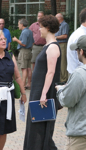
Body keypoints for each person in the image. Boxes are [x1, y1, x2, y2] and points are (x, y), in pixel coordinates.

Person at [23, 15, 60, 150]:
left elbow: (51, 72)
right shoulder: (48, 46)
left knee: (40, 130)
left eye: (41, 27)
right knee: (35, 127)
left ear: (48, 28)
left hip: (43, 94)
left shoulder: (52, 47)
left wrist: (43, 94)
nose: (39, 30)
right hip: (38, 92)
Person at [56, 35, 86, 150]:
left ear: (81, 51)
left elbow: (68, 101)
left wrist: (60, 90)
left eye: (77, 50)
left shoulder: (80, 74)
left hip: (81, 134)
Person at [12, 19, 34, 89]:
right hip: (29, 51)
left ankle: (23, 85)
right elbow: (33, 42)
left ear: (22, 24)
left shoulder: (24, 32)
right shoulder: (30, 31)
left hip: (24, 51)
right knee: (28, 68)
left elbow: (23, 43)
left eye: (18, 24)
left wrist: (16, 40)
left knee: (24, 68)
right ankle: (29, 83)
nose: (18, 26)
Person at [67, 8, 86, 74]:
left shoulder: (78, 33)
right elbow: (82, 61)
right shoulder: (82, 36)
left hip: (77, 74)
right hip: (80, 76)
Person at [55, 13, 69, 83]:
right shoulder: (58, 25)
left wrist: (55, 37)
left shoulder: (65, 25)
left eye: (56, 17)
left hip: (62, 44)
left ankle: (64, 79)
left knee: (63, 62)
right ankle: (60, 77)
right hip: (58, 44)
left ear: (60, 18)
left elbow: (65, 36)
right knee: (59, 61)